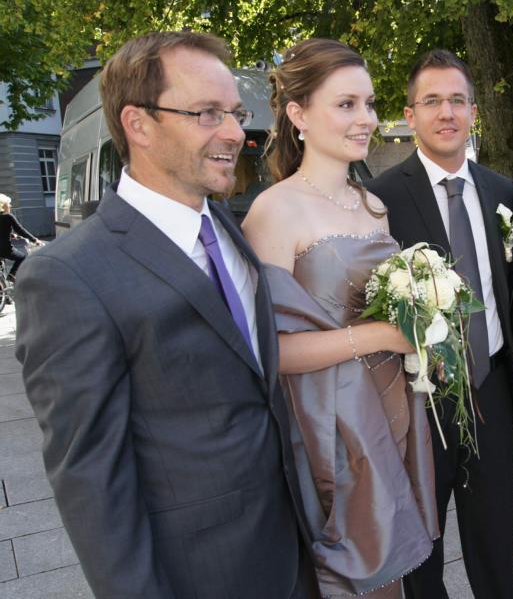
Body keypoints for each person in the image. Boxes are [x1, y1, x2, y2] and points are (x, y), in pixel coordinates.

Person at [15, 31, 318, 599]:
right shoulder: (67, 276)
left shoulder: (226, 227)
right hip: (200, 575)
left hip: (289, 550)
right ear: (138, 124)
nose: (236, 132)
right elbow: (92, 484)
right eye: (207, 113)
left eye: (234, 113)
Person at [242, 38, 438, 599]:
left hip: (394, 408)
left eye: (369, 104)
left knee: (392, 570)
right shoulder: (275, 211)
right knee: (358, 574)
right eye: (346, 104)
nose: (366, 119)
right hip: (331, 424)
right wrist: (382, 334)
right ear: (299, 114)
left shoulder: (372, 206)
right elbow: (272, 349)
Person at [367, 49, 513, 599]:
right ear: (409, 115)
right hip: (419, 401)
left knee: (496, 543)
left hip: (492, 390)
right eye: (432, 100)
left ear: (474, 112)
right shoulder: (380, 199)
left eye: (458, 100)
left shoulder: (502, 191)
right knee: (422, 553)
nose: (446, 112)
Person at [0, 193, 39, 281]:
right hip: (5, 249)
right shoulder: (8, 216)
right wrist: (34, 240)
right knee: (22, 257)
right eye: (8, 204)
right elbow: (20, 230)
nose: (10, 206)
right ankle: (12, 275)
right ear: (3, 206)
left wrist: (11, 235)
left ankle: (3, 285)